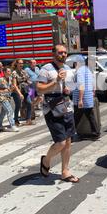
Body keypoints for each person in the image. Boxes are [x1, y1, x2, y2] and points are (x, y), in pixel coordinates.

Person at [36, 44, 79, 183]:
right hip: (52, 108)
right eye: (60, 52)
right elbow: (39, 89)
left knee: (68, 141)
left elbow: (71, 87)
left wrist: (68, 89)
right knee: (60, 142)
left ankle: (65, 171)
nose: (63, 55)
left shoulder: (67, 69)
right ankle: (46, 160)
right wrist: (56, 81)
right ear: (53, 54)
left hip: (66, 105)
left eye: (65, 52)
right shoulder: (46, 69)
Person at [72, 57, 100, 140]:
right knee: (90, 116)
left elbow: (81, 85)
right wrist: (92, 92)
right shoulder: (89, 71)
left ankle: (71, 135)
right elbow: (93, 84)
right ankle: (95, 133)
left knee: (76, 118)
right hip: (88, 98)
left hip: (82, 98)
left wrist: (80, 99)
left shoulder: (81, 71)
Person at [0, 67, 19, 132]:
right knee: (10, 111)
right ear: (4, 72)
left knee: (3, 112)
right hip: (2, 97)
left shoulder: (10, 79)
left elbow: (12, 88)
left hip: (7, 97)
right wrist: (3, 91)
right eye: (8, 71)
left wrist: (14, 78)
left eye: (10, 71)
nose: (9, 73)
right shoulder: (0, 80)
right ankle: (12, 126)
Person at [11, 59, 33, 127]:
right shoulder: (14, 73)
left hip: (25, 90)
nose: (21, 65)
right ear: (16, 64)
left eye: (22, 63)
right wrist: (20, 94)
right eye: (20, 63)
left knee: (29, 103)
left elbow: (28, 80)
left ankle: (28, 119)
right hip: (17, 91)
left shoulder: (24, 72)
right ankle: (16, 120)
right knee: (18, 105)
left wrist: (32, 90)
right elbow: (14, 85)